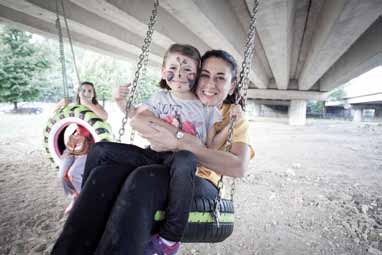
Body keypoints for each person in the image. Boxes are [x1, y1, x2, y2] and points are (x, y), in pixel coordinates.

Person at [51, 49, 253, 255]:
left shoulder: (233, 117)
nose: (210, 84)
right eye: (205, 75)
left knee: (144, 179)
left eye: (220, 78)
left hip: (199, 179)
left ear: (232, 85)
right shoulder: (177, 98)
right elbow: (140, 119)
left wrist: (179, 142)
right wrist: (172, 133)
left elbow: (238, 166)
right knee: (104, 173)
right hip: (161, 164)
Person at [56, 81, 108, 214]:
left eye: (90, 91)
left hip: (89, 147)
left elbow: (104, 116)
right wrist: (60, 104)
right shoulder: (74, 107)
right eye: (83, 91)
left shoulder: (95, 106)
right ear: (78, 93)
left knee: (74, 173)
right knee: (62, 175)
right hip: (74, 145)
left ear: (94, 94)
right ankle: (74, 198)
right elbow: (56, 117)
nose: (86, 93)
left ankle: (85, 201)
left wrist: (88, 104)